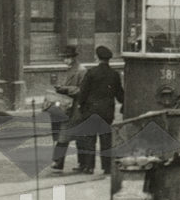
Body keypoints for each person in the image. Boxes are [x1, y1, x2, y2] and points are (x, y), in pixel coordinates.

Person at [76, 46, 124, 175]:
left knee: (90, 139)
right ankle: (107, 168)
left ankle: (89, 167)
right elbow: (119, 94)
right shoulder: (114, 74)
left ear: (97, 57)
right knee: (106, 140)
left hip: (91, 111)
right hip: (107, 112)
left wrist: (81, 105)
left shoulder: (91, 73)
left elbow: (83, 92)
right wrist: (124, 103)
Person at [50, 45, 86, 173]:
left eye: (66, 58)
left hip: (76, 109)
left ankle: (62, 162)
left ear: (72, 58)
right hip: (67, 107)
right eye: (64, 58)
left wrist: (64, 89)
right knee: (67, 135)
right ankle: (62, 163)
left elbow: (81, 90)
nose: (64, 60)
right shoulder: (70, 70)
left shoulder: (81, 71)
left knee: (69, 135)